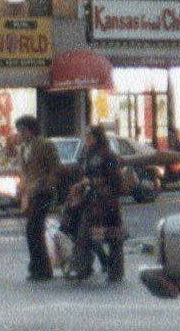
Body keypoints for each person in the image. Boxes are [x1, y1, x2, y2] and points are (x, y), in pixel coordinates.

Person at [70, 125, 125, 282]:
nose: (86, 140)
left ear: (97, 137)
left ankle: (114, 271)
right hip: (92, 201)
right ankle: (83, 268)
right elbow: (82, 173)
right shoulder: (87, 155)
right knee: (86, 234)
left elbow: (115, 181)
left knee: (113, 237)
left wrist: (92, 182)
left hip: (107, 202)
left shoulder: (108, 156)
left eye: (89, 137)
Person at [15, 115, 60, 282]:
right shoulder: (22, 148)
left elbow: (55, 168)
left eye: (20, 130)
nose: (18, 134)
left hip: (42, 192)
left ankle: (42, 269)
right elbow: (24, 172)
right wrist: (21, 188)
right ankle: (37, 266)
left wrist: (48, 184)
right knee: (31, 231)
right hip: (29, 193)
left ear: (28, 130)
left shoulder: (45, 145)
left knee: (34, 228)